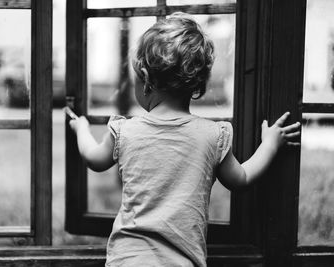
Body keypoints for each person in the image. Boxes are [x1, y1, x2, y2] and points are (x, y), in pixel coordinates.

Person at [69, 12, 301, 267]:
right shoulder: (211, 136)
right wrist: (270, 143)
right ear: (197, 84)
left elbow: (94, 159)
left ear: (145, 79)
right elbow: (241, 178)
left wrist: (81, 128)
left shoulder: (126, 131)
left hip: (127, 260)